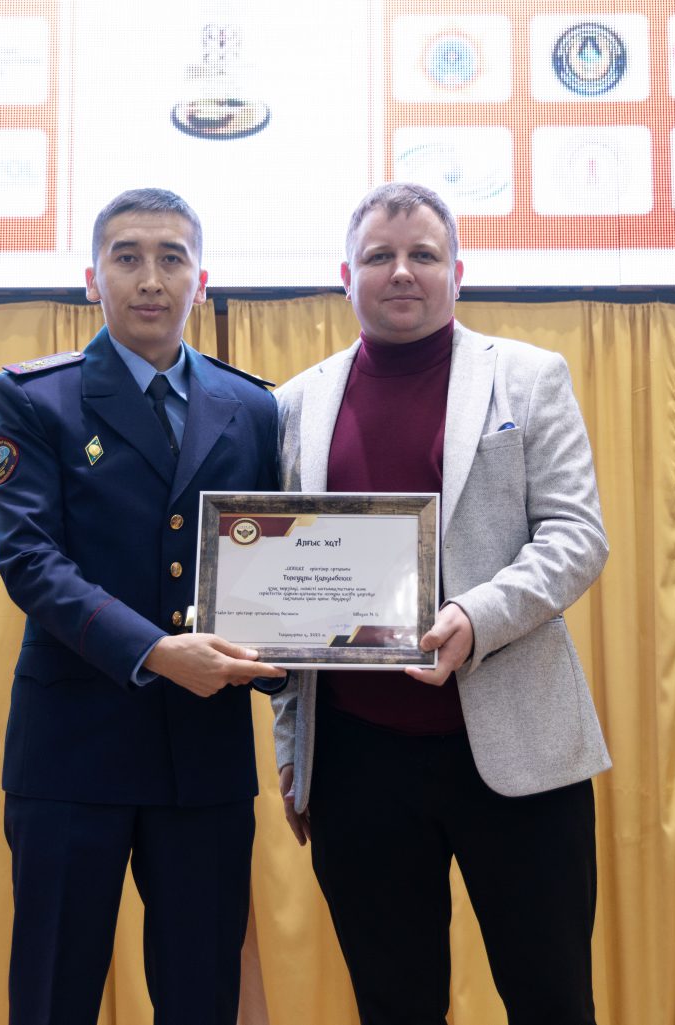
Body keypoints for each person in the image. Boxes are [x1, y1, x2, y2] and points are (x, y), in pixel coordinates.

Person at [271, 182, 611, 1025]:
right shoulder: (294, 402)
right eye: (379, 256)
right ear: (345, 275)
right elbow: (281, 588)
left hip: (518, 750)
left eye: (423, 254)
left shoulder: (529, 378)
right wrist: (291, 747)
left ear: (457, 272)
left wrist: (475, 618)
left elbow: (576, 535)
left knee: (554, 1001)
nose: (401, 271)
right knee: (394, 1006)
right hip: (356, 759)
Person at [0, 187, 283, 1025]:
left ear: (201, 280)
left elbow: (277, 561)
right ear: (93, 278)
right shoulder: (35, 398)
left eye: (171, 258)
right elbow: (30, 560)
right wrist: (156, 652)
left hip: (204, 753)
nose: (150, 279)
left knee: (202, 998)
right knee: (54, 994)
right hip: (71, 748)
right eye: (127, 257)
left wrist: (299, 655)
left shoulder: (252, 406)